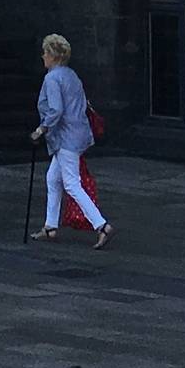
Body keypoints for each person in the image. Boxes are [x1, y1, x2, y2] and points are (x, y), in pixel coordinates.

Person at [29, 33, 110, 248]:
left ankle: (101, 225)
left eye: (46, 52)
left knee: (72, 184)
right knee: (53, 178)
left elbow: (56, 109)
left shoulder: (52, 78)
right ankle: (50, 226)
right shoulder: (72, 75)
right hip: (79, 134)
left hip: (66, 138)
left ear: (54, 56)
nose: (43, 56)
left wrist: (41, 128)